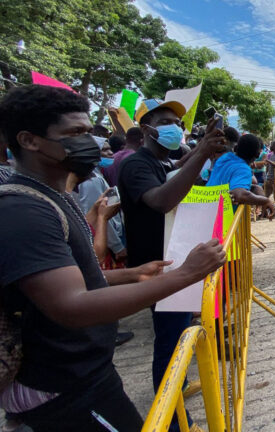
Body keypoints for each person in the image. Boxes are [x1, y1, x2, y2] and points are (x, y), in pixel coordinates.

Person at [0, 85, 225, 432]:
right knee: (170, 345)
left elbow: (74, 276)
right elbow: (71, 305)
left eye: (89, 131)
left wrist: (132, 274)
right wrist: (184, 275)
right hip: (62, 392)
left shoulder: (56, 196)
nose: (89, 142)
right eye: (75, 133)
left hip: (87, 374)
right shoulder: (24, 209)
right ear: (30, 141)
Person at [117, 97, 228, 431]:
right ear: (146, 128)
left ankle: (176, 393)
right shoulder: (137, 165)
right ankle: (175, 419)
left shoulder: (158, 161)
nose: (176, 128)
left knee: (176, 334)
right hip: (157, 265)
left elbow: (179, 166)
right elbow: (163, 200)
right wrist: (204, 151)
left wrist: (203, 150)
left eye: (178, 123)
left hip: (172, 259)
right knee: (171, 342)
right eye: (167, 121)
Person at [206, 133, 275, 216]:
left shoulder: (225, 158)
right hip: (220, 219)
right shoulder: (243, 168)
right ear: (257, 155)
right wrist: (265, 201)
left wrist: (255, 190)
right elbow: (238, 194)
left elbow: (228, 184)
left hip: (206, 209)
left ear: (236, 148)